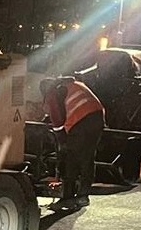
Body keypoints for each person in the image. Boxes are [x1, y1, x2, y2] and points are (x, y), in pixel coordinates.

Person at [40, 76, 105, 209]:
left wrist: (61, 140)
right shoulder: (72, 85)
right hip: (97, 118)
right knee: (88, 156)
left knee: (71, 158)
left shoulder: (52, 92)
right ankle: (83, 196)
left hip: (81, 121)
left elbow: (57, 120)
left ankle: (68, 197)